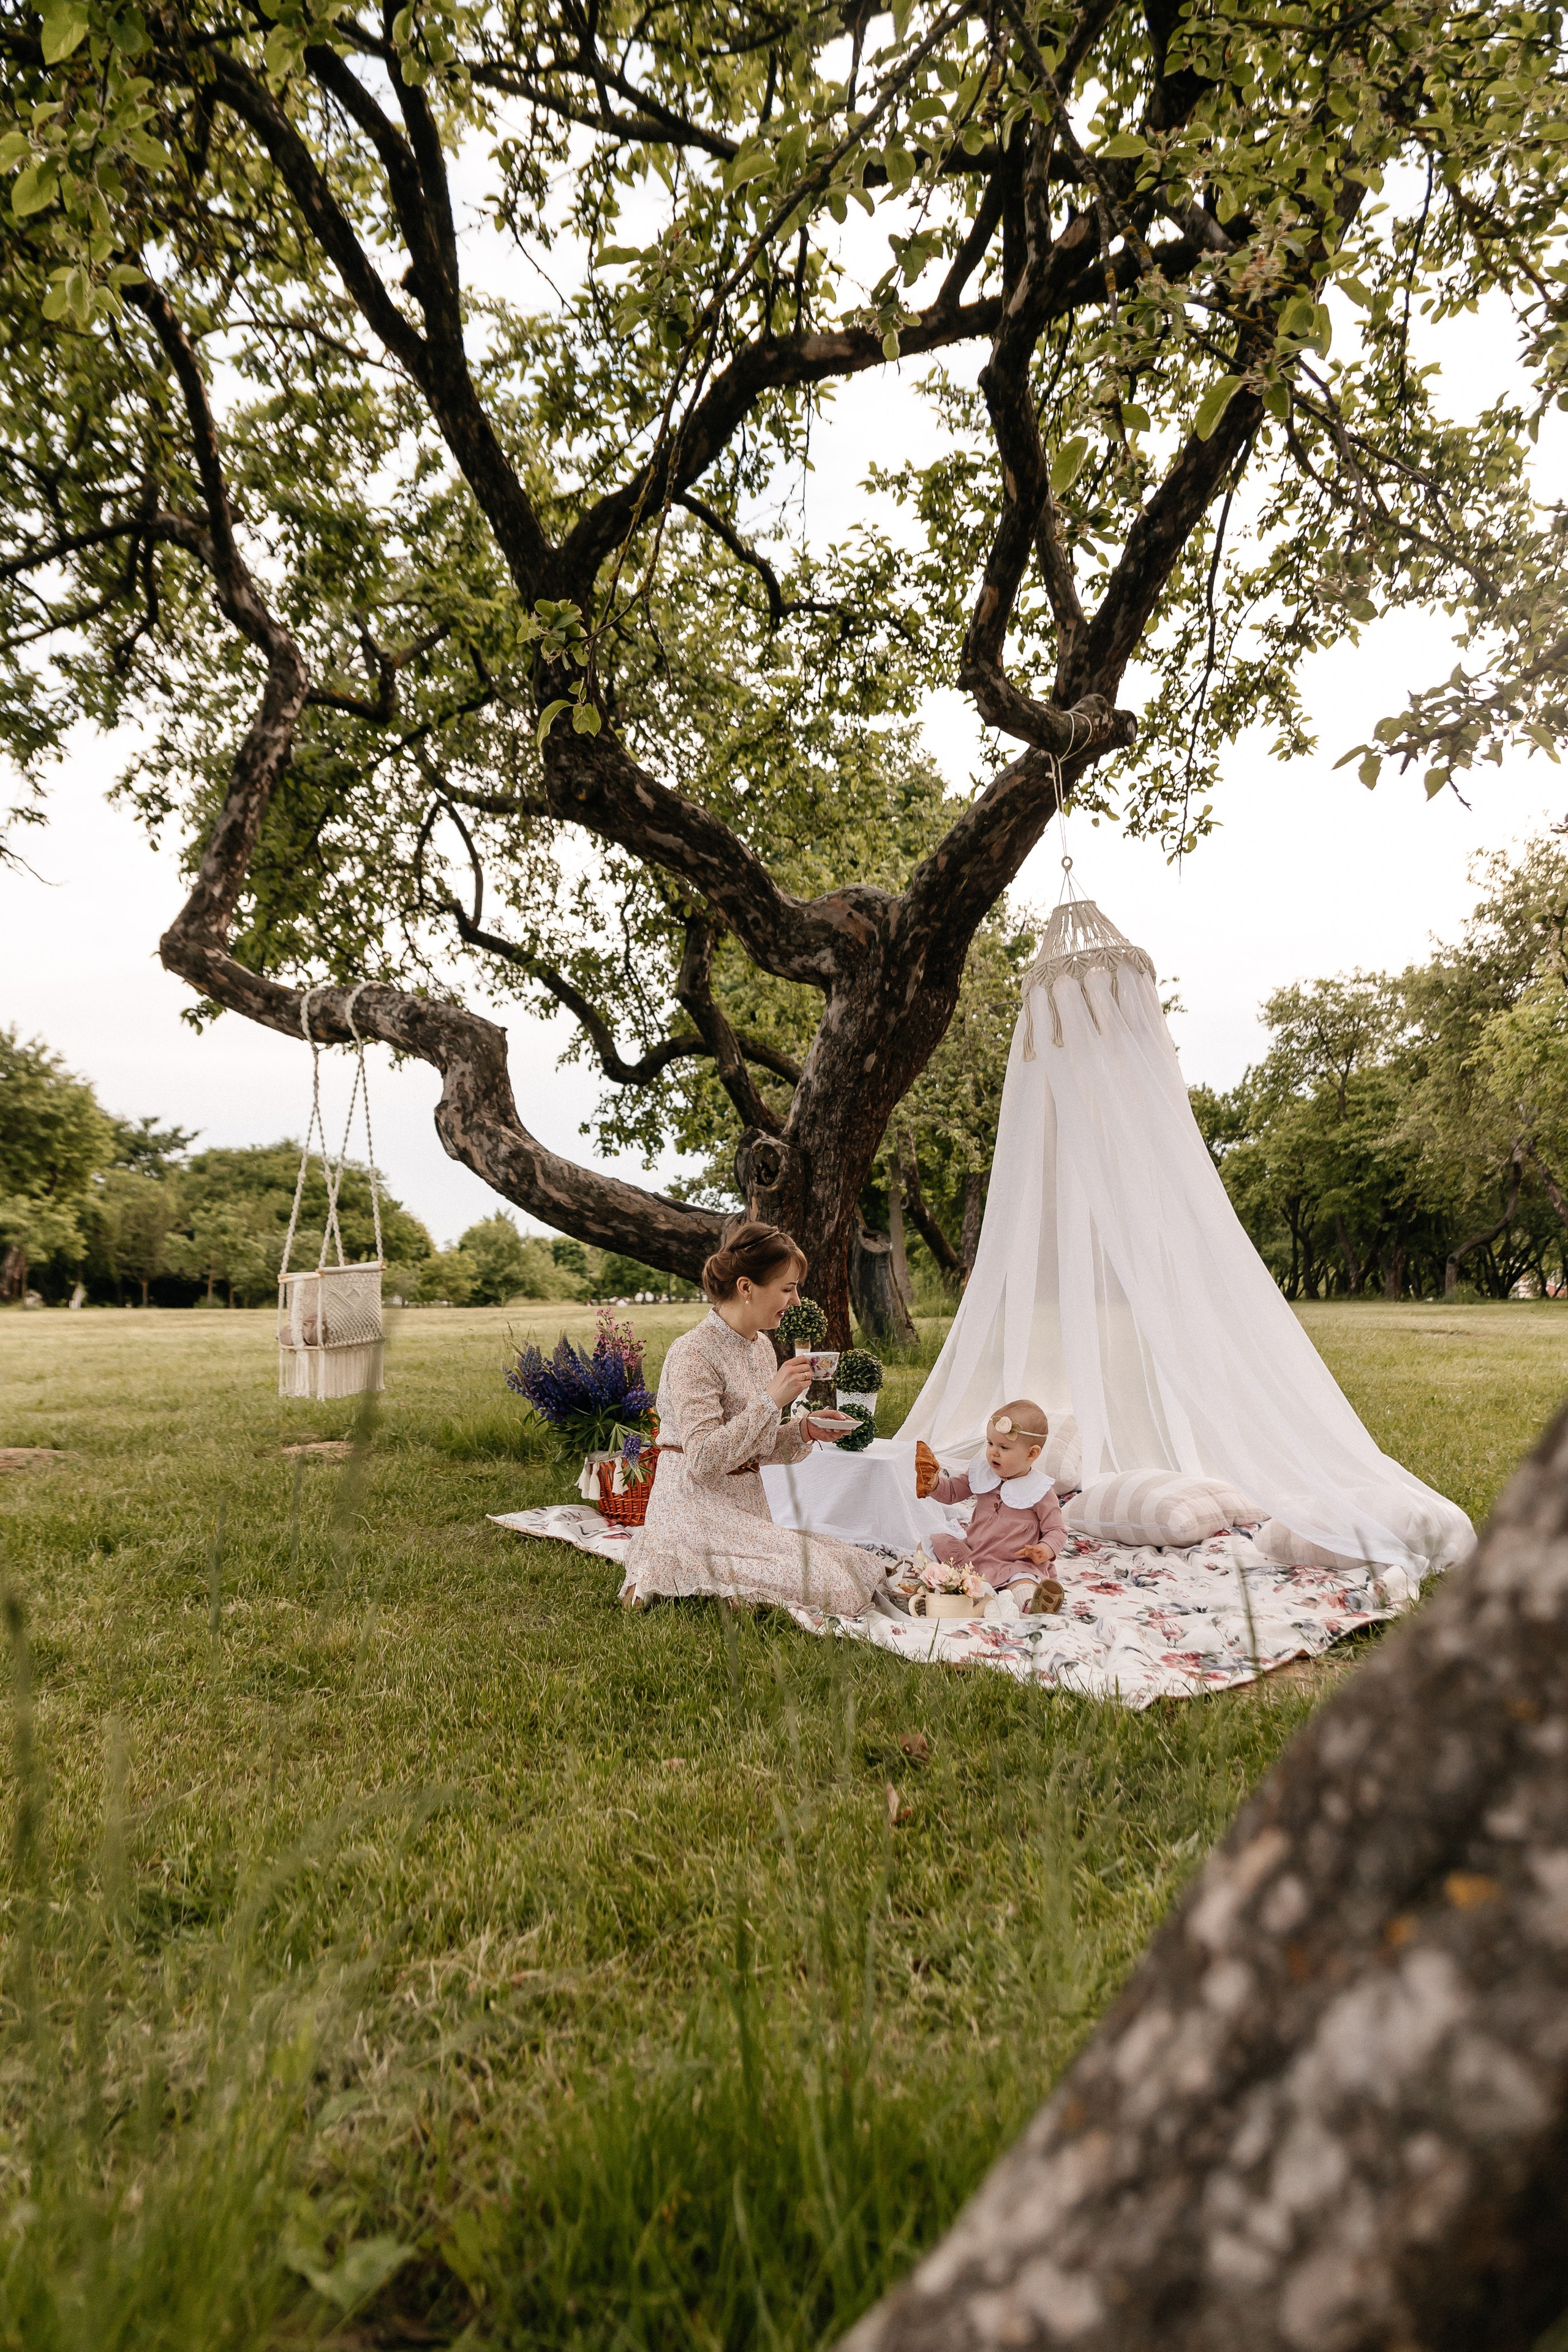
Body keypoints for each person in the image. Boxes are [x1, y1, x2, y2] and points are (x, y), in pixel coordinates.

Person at [621, 1222, 883, 1615]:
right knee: (838, 1591)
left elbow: (755, 1446)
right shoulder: (692, 1352)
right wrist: (770, 1399)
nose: (795, 1302)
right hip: (694, 1505)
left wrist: (805, 1429)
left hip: (744, 1507)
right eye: (787, 1288)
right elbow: (704, 1460)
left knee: (862, 1566)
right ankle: (671, 1560)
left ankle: (724, 1586)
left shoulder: (762, 1348)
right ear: (746, 1287)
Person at [914, 1403, 1067, 1614]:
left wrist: (1045, 1550)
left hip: (1015, 1562)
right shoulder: (982, 1474)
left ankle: (1033, 1605)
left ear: (1031, 1454)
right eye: (990, 1443)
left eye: (1004, 1448)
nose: (993, 1452)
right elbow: (951, 1492)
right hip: (974, 1554)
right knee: (930, 1545)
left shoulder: (1040, 1491)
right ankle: (934, 1583)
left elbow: (1057, 1530)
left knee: (1022, 1582)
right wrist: (933, 1483)